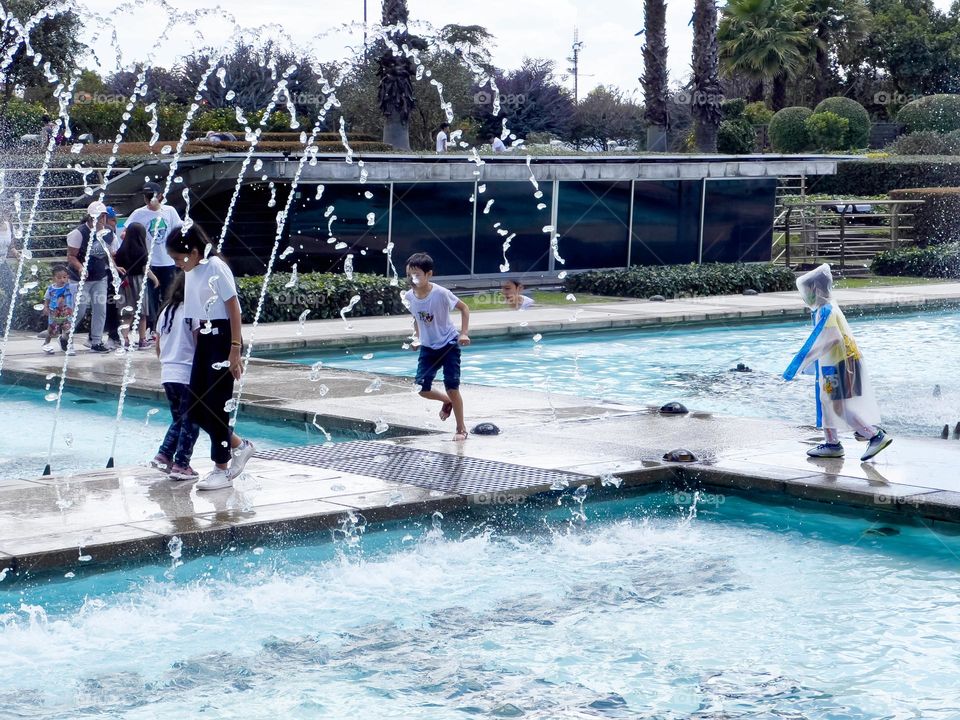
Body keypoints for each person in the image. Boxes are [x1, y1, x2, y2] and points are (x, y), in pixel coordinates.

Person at [165, 223, 255, 490]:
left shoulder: (215, 266)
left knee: (216, 404)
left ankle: (221, 468)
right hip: (205, 337)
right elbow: (196, 314)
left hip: (223, 337)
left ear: (193, 251)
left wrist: (235, 349)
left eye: (178, 258)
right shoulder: (193, 269)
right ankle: (240, 446)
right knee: (194, 408)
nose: (177, 264)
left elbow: (234, 308)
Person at [783, 263, 893, 461]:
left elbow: (833, 338)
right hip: (844, 362)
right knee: (829, 404)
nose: (805, 295)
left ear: (815, 288)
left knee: (837, 407)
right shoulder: (828, 307)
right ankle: (832, 443)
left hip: (839, 365)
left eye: (807, 290)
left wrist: (808, 358)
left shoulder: (825, 310)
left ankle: (874, 436)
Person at [403, 252, 471, 441]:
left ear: (429, 274)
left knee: (452, 386)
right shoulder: (409, 296)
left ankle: (461, 429)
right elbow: (415, 318)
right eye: (409, 274)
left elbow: (464, 308)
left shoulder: (441, 293)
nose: (412, 278)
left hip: (449, 344)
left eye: (416, 274)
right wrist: (417, 338)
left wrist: (463, 333)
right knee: (422, 388)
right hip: (428, 347)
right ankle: (447, 402)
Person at [151, 273, 200, 481]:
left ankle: (163, 456)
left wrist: (167, 361)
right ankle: (181, 464)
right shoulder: (194, 311)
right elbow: (199, 345)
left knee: (179, 419)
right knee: (192, 421)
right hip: (187, 372)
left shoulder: (166, 311)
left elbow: (158, 346)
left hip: (168, 372)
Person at [125, 181, 183, 332]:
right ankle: (152, 329)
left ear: (161, 196)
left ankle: (166, 326)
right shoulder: (138, 213)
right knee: (149, 300)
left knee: (168, 297)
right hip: (148, 264)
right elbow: (126, 232)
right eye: (146, 196)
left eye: (151, 196)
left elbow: (179, 230)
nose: (148, 199)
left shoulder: (169, 211)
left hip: (168, 262)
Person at [65, 201, 116, 353]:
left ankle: (96, 341)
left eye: (102, 216)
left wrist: (113, 266)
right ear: (89, 217)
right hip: (79, 279)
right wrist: (80, 267)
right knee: (79, 310)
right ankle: (66, 336)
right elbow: (71, 256)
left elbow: (108, 253)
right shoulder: (79, 233)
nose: (100, 219)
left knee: (100, 309)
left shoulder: (108, 233)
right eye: (97, 216)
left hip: (99, 277)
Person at [114, 221, 159, 350]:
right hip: (139, 282)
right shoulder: (142, 251)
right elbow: (145, 269)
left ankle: (126, 340)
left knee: (127, 313)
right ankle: (142, 340)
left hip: (125, 283)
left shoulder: (121, 251)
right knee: (142, 313)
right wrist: (155, 279)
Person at [41, 265, 74, 354]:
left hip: (66, 313)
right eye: (59, 278)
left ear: (68, 277)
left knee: (68, 330)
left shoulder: (69, 287)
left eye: (64, 277)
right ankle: (46, 344)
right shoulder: (51, 289)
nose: (62, 279)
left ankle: (69, 346)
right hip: (54, 314)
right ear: (53, 278)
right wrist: (46, 307)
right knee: (51, 331)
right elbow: (47, 299)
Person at [103, 207, 123, 350]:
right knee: (111, 306)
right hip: (108, 274)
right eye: (112, 220)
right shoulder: (107, 232)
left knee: (111, 306)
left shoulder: (110, 232)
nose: (114, 223)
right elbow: (108, 253)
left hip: (108, 273)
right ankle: (113, 336)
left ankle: (113, 336)